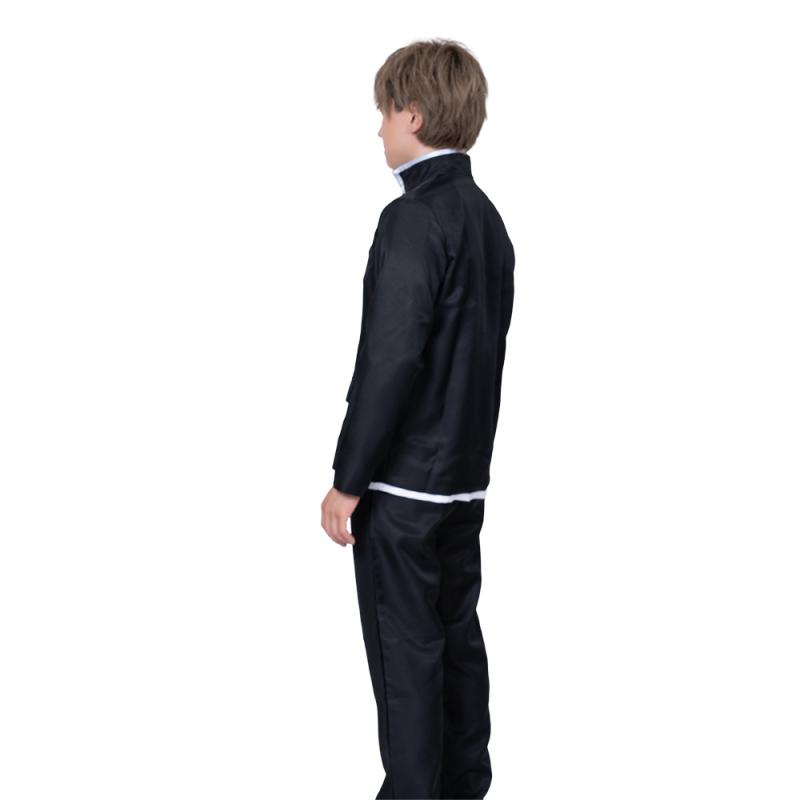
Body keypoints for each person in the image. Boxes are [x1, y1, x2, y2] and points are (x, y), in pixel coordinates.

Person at [320, 38, 515, 800]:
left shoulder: (413, 219)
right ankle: (464, 788)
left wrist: (348, 477)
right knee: (456, 647)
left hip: (402, 494)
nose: (378, 128)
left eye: (385, 112)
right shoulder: (488, 222)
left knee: (407, 662)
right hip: (463, 486)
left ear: (415, 115)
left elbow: (391, 360)